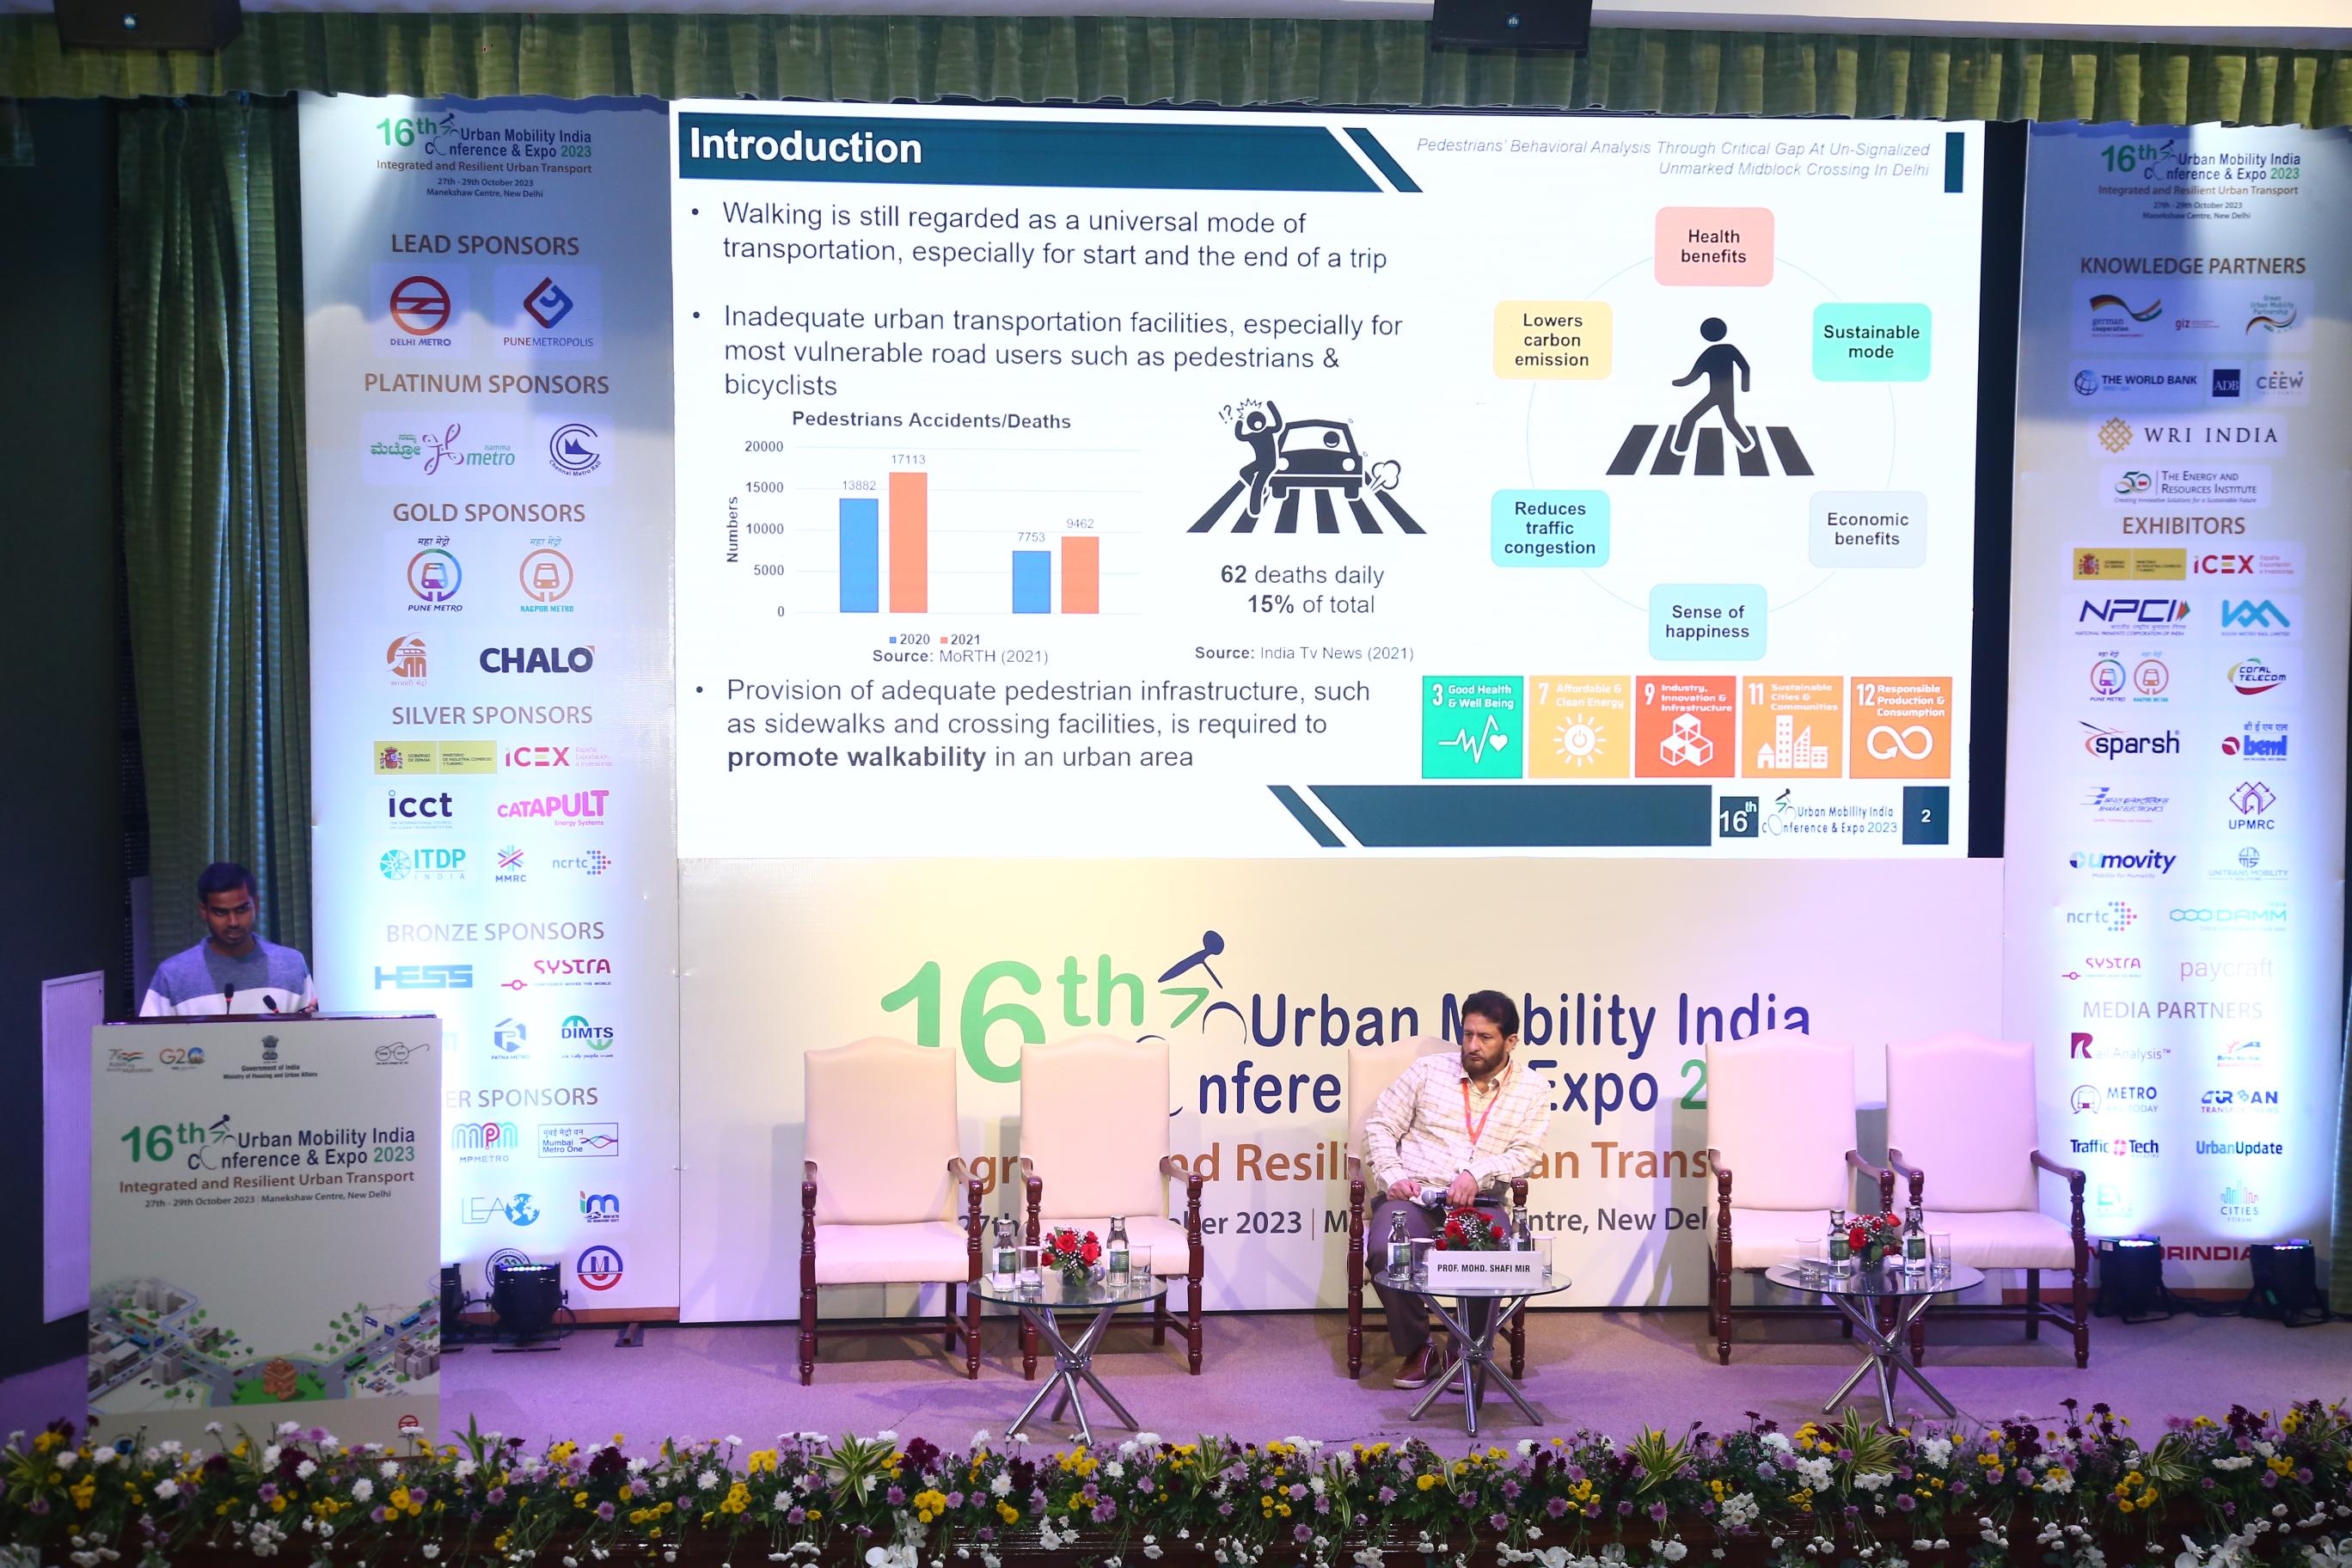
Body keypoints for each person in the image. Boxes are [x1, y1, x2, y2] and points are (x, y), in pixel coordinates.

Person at [1361, 990, 1552, 1389]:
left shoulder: (1532, 1089)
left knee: (1493, 1253)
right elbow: (1380, 1125)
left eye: (1485, 1037)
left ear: (1510, 1041)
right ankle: (1418, 1348)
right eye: (1467, 1034)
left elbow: (1527, 1153)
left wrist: (1477, 1173)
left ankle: (1465, 1348)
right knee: (1384, 1249)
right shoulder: (1427, 1071)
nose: (1472, 1045)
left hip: (1478, 1200)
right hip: (1415, 1195)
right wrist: (1393, 1174)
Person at [138, 861, 318, 1017]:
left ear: (256, 904)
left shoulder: (291, 965)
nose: (233, 922)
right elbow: (149, 1039)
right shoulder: (172, 975)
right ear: (204, 912)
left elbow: (308, 1036)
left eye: (241, 909)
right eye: (221, 912)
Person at [1669, 316, 1755, 456]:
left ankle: (1680, 448)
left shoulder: (1712, 353)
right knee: (1728, 421)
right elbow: (1745, 368)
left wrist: (1745, 388)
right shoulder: (1725, 350)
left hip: (1719, 395)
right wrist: (1744, 387)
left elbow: (1692, 376)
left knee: (1691, 419)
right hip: (1720, 394)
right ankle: (1747, 445)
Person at [1233, 401, 1284, 518]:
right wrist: (1239, 423)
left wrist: (1271, 407)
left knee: (1258, 484)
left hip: (1270, 463)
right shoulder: (1252, 436)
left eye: (1259, 422)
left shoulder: (1269, 431)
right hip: (1259, 463)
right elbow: (1240, 436)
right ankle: (1263, 490)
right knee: (1244, 472)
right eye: (1255, 423)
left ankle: (1255, 508)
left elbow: (1279, 425)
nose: (1258, 425)